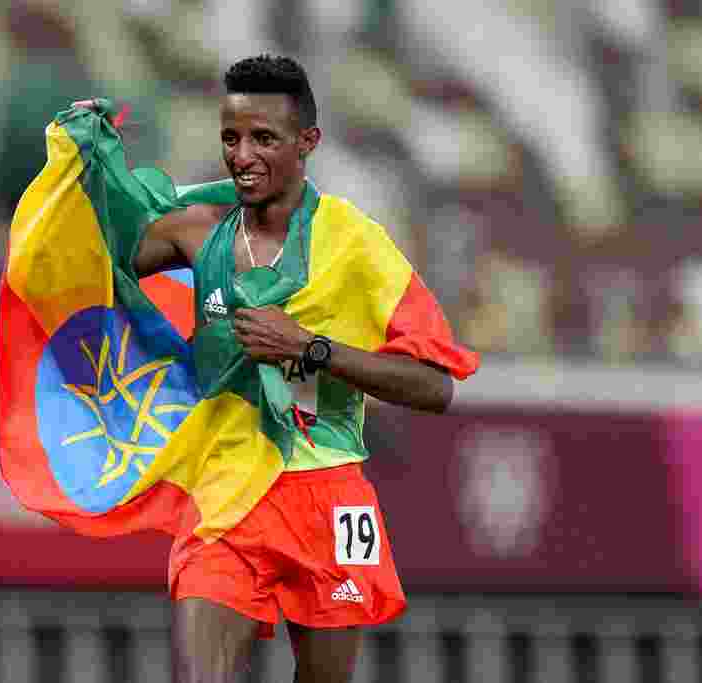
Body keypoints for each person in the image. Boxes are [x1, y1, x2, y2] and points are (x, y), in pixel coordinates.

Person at [96, 54, 479, 683]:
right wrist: (90, 165)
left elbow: (436, 386)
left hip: (329, 499)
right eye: (231, 137)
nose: (242, 155)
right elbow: (93, 266)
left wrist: (310, 348)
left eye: (263, 138)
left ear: (308, 143)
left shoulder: (357, 244)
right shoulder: (200, 228)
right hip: (229, 496)